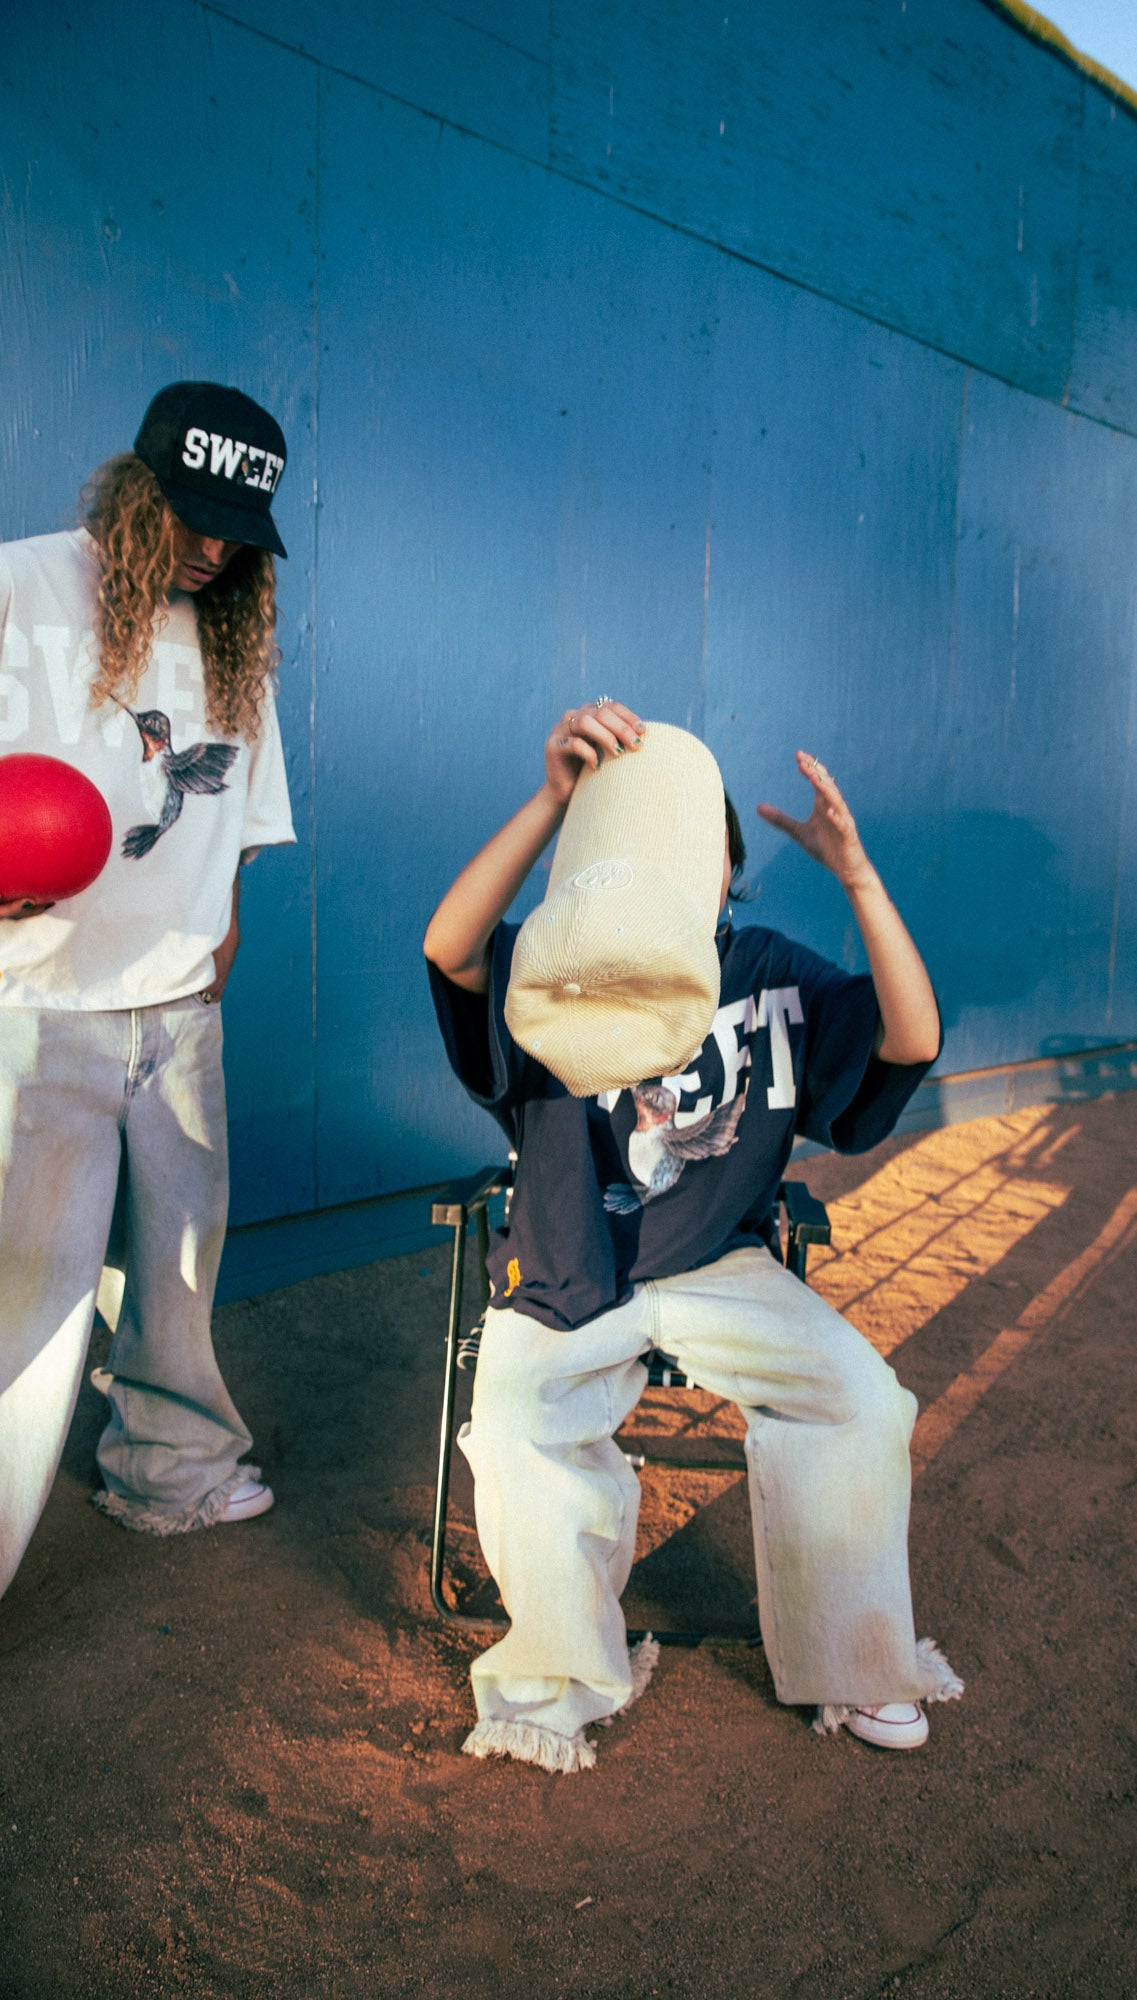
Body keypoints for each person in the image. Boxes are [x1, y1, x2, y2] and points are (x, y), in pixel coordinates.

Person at [423, 697, 962, 1772]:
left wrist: (858, 878)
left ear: (726, 869)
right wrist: (551, 801)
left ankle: (856, 1658)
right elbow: (449, 948)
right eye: (633, 834)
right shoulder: (548, 963)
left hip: (723, 1263)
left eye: (694, 844)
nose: (668, 861)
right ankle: (555, 1674)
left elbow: (910, 1038)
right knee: (518, 1421)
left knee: (859, 1398)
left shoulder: (767, 970)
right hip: (569, 1266)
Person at [0, 381, 296, 1599]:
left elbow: (244, 817)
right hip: (38, 1004)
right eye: (191, 514)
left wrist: (220, 938)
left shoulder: (235, 637)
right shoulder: (20, 584)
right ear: (134, 490)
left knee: (179, 1271)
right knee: (27, 1303)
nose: (215, 546)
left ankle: (171, 1470)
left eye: (238, 529)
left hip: (177, 1013)